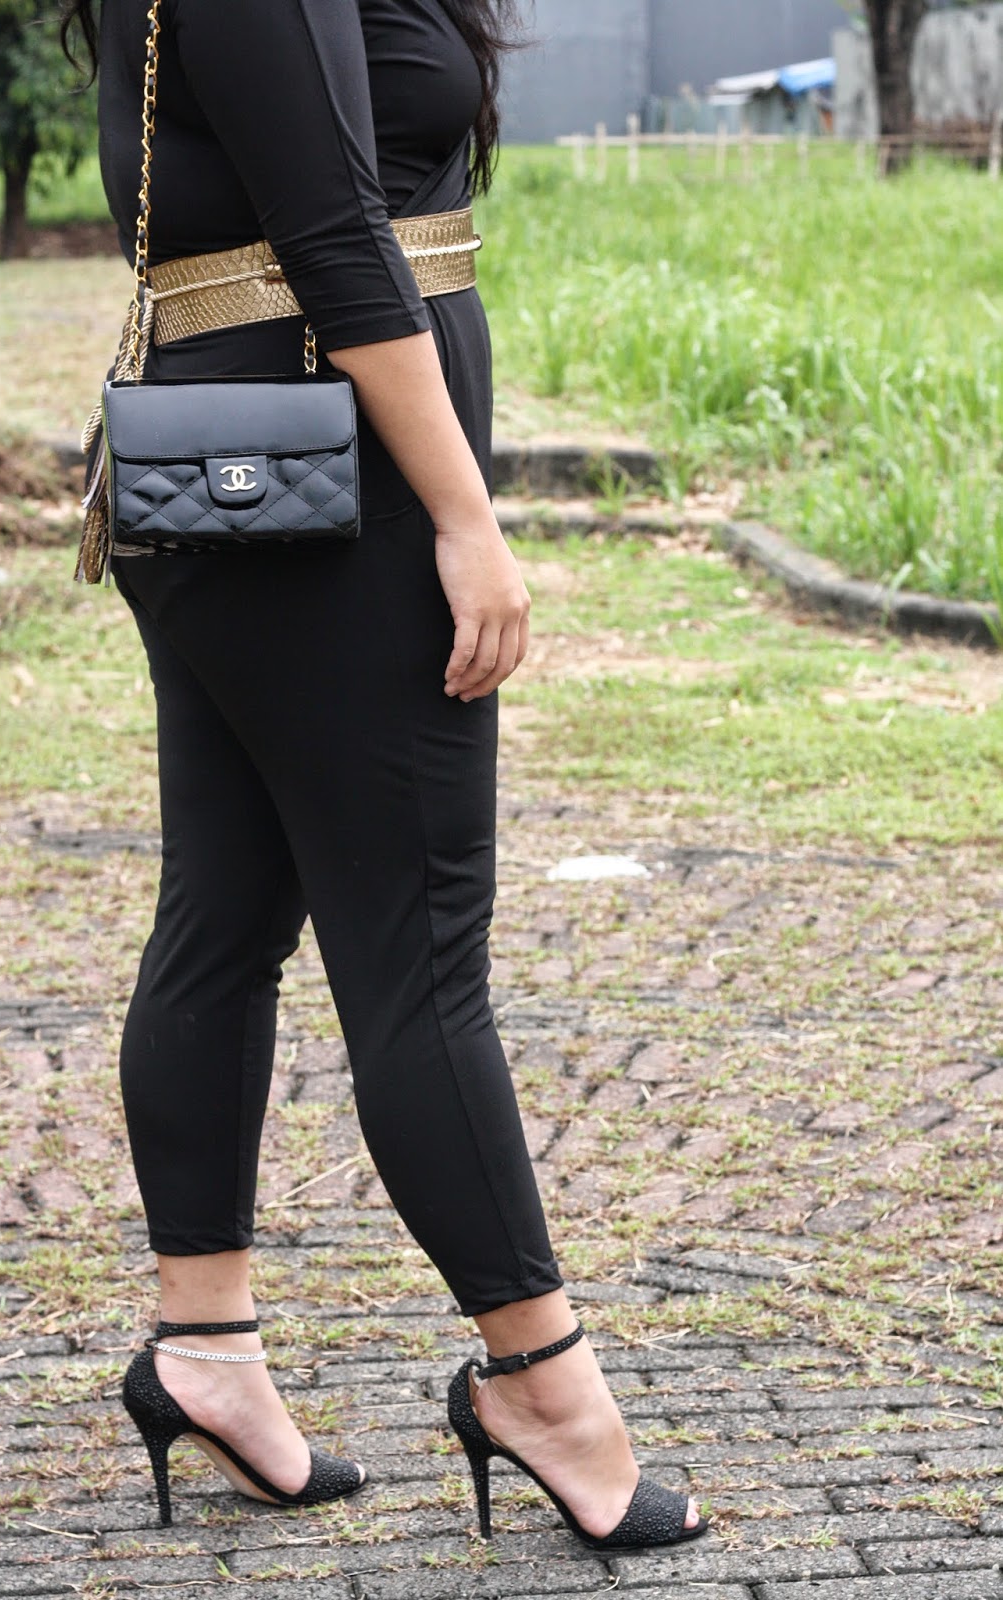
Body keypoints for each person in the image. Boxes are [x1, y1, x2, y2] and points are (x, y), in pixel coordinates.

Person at [62, 0, 708, 1551]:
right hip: (319, 492)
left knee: (224, 915)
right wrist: (466, 517)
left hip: (259, 476)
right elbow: (337, 234)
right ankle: (540, 1387)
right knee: (417, 949)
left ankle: (206, 1352)